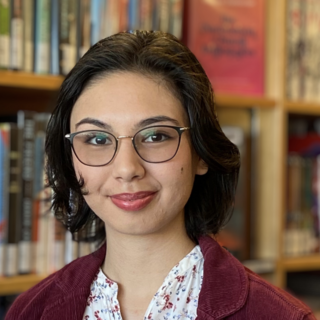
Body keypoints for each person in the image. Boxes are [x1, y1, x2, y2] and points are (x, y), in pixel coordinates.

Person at [6, 31, 316, 320]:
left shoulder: (278, 315)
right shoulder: (32, 310)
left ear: (201, 153)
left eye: (155, 136)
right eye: (97, 139)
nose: (127, 169)